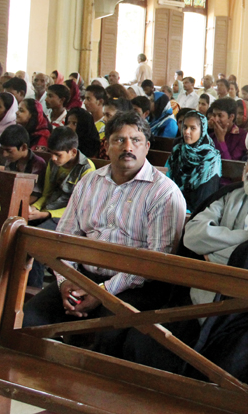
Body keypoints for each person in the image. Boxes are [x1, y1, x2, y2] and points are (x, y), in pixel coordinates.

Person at [124, 120, 248, 381]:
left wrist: (216, 251)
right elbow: (192, 236)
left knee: (226, 372)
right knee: (140, 343)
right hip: (196, 303)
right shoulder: (232, 194)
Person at [22, 112, 187, 355]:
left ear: (147, 147)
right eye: (119, 140)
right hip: (81, 277)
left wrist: (103, 292)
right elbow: (64, 239)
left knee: (105, 340)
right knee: (29, 321)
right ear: (106, 146)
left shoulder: (163, 193)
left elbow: (154, 262)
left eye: (135, 140)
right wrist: (66, 280)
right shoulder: (90, 183)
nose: (127, 147)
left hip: (133, 286)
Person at [26, 126, 96, 287]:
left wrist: (47, 214)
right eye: (51, 153)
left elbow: (80, 208)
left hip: (70, 218)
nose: (53, 158)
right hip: (48, 212)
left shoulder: (87, 169)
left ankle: (32, 288)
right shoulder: (54, 163)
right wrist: (35, 208)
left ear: (72, 151)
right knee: (16, 230)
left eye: (58, 155)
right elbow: (46, 193)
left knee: (36, 242)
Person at [165, 111, 221, 213]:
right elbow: (166, 179)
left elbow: (206, 194)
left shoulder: (210, 158)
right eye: (185, 127)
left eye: (192, 128)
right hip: (172, 203)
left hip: (197, 209)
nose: (186, 132)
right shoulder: (178, 150)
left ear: (202, 130)